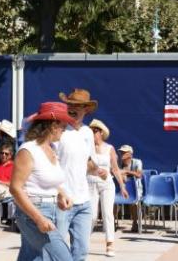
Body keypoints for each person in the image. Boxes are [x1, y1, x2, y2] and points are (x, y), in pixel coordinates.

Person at [10, 102, 75, 261]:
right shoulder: (28, 150)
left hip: (51, 210)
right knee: (64, 258)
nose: (64, 129)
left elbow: (48, 180)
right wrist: (38, 218)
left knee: (33, 257)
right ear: (52, 125)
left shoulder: (52, 148)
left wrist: (61, 193)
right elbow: (15, 188)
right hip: (33, 212)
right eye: (63, 126)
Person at [56, 88, 106, 261]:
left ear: (86, 109)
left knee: (82, 251)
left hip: (83, 201)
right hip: (61, 201)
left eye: (79, 106)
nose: (74, 109)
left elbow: (88, 162)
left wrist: (98, 170)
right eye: (71, 105)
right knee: (58, 251)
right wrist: (58, 192)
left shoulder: (87, 133)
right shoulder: (58, 131)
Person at [88, 119, 128, 257]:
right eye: (91, 130)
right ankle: (84, 242)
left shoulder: (109, 148)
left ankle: (110, 244)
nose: (92, 133)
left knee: (107, 214)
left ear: (101, 132)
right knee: (91, 215)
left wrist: (122, 187)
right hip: (90, 183)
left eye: (95, 130)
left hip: (107, 184)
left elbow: (116, 169)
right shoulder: (87, 147)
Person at [117, 144, 143, 233]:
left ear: (130, 154)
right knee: (112, 200)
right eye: (121, 152)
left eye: (124, 152)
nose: (121, 154)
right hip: (121, 188)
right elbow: (115, 173)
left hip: (135, 189)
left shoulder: (137, 162)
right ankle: (112, 223)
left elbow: (139, 175)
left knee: (134, 202)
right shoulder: (118, 162)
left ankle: (135, 222)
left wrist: (126, 171)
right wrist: (121, 175)